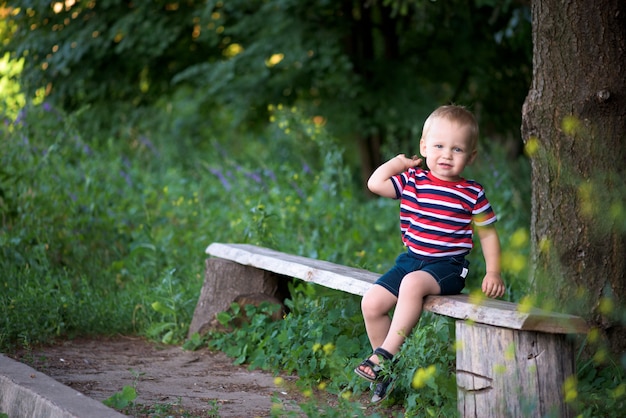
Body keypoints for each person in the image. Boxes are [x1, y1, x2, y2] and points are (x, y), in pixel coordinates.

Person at [354, 105, 506, 403]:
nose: (446, 154)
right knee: (372, 304)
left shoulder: (472, 193)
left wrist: (493, 271)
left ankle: (384, 356)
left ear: (470, 157)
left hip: (448, 267)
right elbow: (375, 184)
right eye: (438, 146)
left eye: (457, 149)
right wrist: (398, 162)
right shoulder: (413, 181)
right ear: (424, 147)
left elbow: (488, 233)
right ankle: (386, 372)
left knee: (412, 284)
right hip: (411, 260)